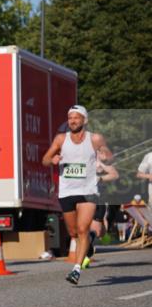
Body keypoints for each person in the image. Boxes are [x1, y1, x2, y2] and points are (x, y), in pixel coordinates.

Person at [41, 105, 113, 285]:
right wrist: (52, 160)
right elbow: (45, 159)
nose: (72, 121)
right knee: (73, 232)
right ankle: (88, 245)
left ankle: (76, 270)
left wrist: (105, 155)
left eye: (76, 117)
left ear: (84, 120)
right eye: (70, 118)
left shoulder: (95, 138)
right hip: (67, 191)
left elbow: (109, 155)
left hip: (88, 191)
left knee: (82, 229)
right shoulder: (61, 139)